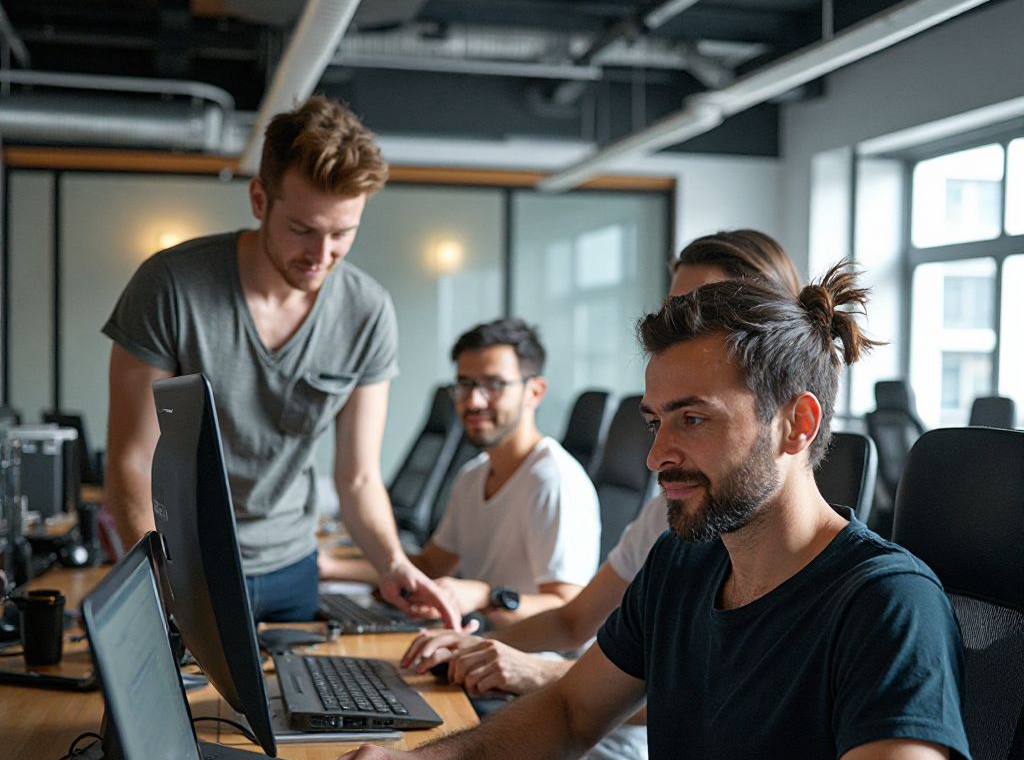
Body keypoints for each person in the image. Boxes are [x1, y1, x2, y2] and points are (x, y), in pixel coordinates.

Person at [285, 264, 971, 760]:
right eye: (656, 421)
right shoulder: (686, 560)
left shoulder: (888, 604)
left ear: (795, 424)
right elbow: (572, 710)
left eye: (693, 419)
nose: (656, 456)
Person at [401, 230, 804, 716]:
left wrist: (536, 669)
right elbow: (575, 622)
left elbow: (720, 702)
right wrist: (473, 646)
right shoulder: (672, 522)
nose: (655, 457)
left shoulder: (836, 579)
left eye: (698, 313)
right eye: (670, 314)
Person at [103, 96, 458, 626]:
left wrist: (393, 563)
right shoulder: (171, 285)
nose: (321, 256)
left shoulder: (367, 311)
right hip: (188, 566)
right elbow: (132, 460)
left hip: (295, 567)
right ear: (259, 199)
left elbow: (358, 478)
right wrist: (154, 574)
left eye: (342, 234)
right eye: (303, 229)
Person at [320, 318, 601, 631]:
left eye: (494, 385)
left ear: (534, 392)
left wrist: (484, 596)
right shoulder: (472, 476)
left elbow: (568, 609)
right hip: (478, 646)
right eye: (465, 384)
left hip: (537, 661)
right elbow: (428, 566)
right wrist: (329, 568)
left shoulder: (555, 481)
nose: (473, 401)